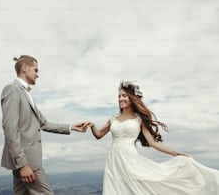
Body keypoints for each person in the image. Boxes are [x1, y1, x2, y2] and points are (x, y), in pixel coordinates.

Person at [88, 80, 219, 195]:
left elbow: (152, 143)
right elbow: (99, 135)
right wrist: (93, 126)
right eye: (119, 96)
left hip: (130, 160)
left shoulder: (139, 120)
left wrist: (176, 153)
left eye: (124, 96)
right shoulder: (113, 119)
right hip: (113, 161)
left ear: (132, 98)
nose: (120, 99)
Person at [0, 55, 88, 195]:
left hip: (26, 161)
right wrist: (22, 164)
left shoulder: (26, 94)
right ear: (24, 68)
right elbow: (10, 130)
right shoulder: (12, 90)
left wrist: (71, 127)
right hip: (26, 161)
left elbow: (44, 123)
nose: (37, 75)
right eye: (35, 70)